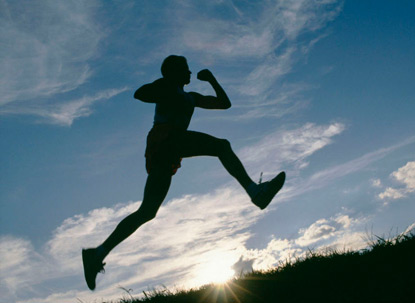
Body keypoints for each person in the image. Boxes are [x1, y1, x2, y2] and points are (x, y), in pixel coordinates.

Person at [82, 55, 285, 290]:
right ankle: (255, 192)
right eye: (186, 70)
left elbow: (224, 103)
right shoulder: (167, 87)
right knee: (221, 146)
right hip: (166, 140)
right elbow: (140, 93)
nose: (190, 73)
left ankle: (97, 253)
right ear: (174, 72)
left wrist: (211, 79)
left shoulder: (190, 97)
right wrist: (164, 85)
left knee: (147, 211)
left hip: (168, 150)